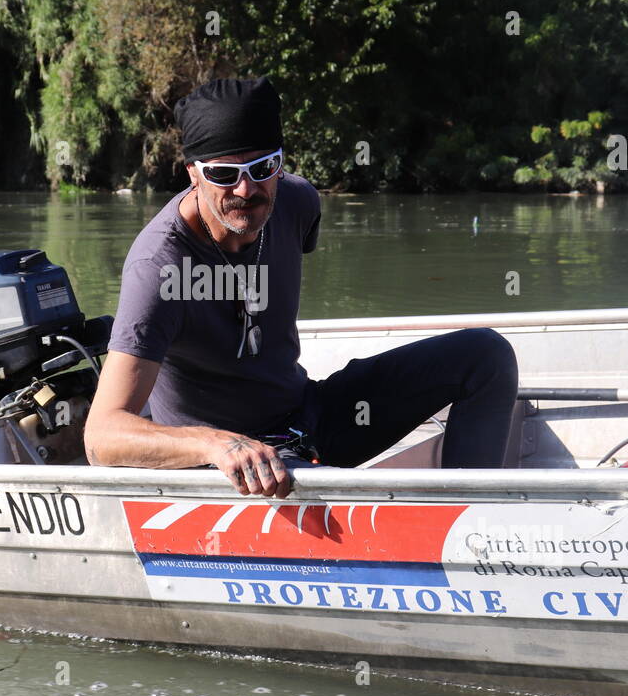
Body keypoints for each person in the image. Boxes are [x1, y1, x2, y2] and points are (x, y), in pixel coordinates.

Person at [83, 76, 519, 496]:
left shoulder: (297, 202)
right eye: (222, 174)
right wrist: (214, 444)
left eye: (263, 167)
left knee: (484, 355)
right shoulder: (158, 267)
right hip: (233, 467)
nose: (246, 189)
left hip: (308, 418)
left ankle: (469, 521)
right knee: (322, 494)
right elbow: (103, 435)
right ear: (192, 173)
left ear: (281, 163)